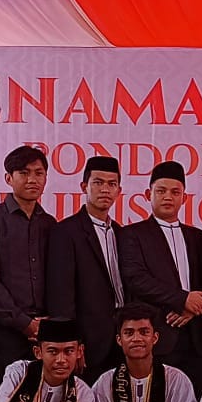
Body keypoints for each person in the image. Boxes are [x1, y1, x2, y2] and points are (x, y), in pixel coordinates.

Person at [119, 161, 202, 393]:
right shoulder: (133, 234)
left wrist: (192, 309)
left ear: (185, 198)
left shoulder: (199, 237)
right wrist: (182, 300)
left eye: (175, 192)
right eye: (161, 191)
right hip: (157, 334)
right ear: (148, 194)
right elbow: (136, 278)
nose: (168, 197)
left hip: (196, 338)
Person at [0, 145, 54, 386]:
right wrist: (24, 323)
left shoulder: (49, 224)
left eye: (39, 173)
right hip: (4, 332)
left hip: (45, 332)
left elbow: (58, 277)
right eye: (24, 173)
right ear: (9, 178)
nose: (32, 180)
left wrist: (47, 324)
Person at [48, 156, 127, 379]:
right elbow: (61, 295)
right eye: (98, 182)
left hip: (122, 339)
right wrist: (72, 344)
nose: (105, 190)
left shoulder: (122, 233)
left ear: (119, 191)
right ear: (84, 186)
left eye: (112, 184)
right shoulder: (66, 232)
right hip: (88, 341)